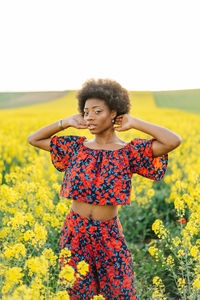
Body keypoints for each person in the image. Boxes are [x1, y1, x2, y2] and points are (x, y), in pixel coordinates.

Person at [27, 78, 182, 299]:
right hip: (75, 232)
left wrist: (134, 122)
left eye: (97, 111)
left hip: (108, 234)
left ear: (114, 114)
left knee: (120, 293)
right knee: (76, 293)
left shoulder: (129, 152)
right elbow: (33, 138)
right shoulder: (75, 148)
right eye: (85, 111)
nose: (89, 116)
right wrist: (66, 122)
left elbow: (173, 141)